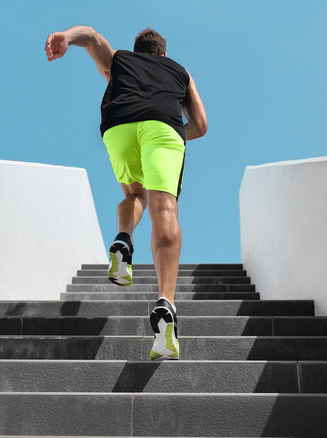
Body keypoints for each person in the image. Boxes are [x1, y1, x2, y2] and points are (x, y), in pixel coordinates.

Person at [45, 25, 207, 360]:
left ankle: (123, 239)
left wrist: (66, 36)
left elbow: (90, 36)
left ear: (138, 50)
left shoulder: (120, 60)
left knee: (135, 194)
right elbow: (201, 125)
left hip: (119, 124)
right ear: (162, 52)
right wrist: (171, 134)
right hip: (162, 126)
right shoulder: (180, 71)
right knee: (164, 210)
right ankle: (166, 303)